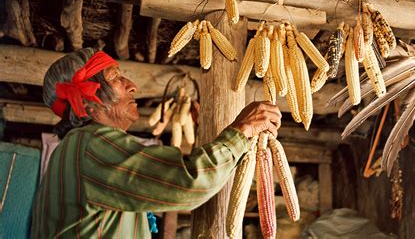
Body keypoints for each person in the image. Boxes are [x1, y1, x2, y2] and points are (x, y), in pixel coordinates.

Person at [30, 48, 281, 238]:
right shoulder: (92, 145)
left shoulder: (72, 149)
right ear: (88, 102)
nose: (133, 86)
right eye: (116, 77)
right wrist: (242, 130)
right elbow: (190, 181)